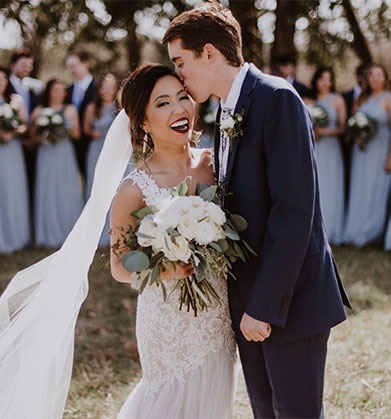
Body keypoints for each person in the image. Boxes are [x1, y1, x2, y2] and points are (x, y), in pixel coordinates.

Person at [163, 2, 351, 418]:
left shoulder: (277, 98)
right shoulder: (222, 110)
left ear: (208, 53)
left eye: (181, 62)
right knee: (266, 412)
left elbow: (294, 211)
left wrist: (264, 306)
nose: (179, 73)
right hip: (249, 299)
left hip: (289, 301)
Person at [110, 64, 236, 418]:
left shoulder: (217, 163)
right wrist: (165, 268)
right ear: (144, 122)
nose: (180, 109)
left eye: (183, 97)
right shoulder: (133, 190)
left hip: (218, 316)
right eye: (162, 103)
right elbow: (119, 267)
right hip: (168, 324)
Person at [31, 78, 84, 247]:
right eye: (56, 90)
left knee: (67, 190)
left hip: (64, 153)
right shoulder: (39, 111)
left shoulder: (71, 110)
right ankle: (47, 234)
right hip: (46, 154)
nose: (59, 93)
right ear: (49, 92)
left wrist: (63, 129)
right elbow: (33, 138)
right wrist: (47, 133)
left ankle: (69, 232)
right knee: (48, 190)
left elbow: (77, 135)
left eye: (62, 90)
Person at [342, 64, 391, 247]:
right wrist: (356, 134)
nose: (376, 78)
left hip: (381, 151)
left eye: (379, 75)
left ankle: (372, 232)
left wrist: (390, 158)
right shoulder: (361, 98)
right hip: (361, 152)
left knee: (376, 190)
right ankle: (355, 231)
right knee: (359, 188)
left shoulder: (388, 99)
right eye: (372, 75)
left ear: (385, 78)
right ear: (367, 78)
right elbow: (353, 121)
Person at [306, 67, 346, 244]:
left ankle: (331, 229)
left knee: (331, 184)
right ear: (316, 80)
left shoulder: (337, 100)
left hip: (331, 148)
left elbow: (342, 128)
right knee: (315, 184)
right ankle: (313, 229)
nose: (325, 82)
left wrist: (323, 131)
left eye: (329, 79)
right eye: (322, 78)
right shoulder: (309, 100)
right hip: (312, 147)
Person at [84, 74, 119, 247]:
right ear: (99, 90)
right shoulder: (92, 108)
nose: (107, 91)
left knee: (118, 189)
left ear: (115, 89)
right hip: (97, 151)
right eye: (104, 87)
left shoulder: (120, 107)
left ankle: (118, 231)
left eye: (110, 87)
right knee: (97, 189)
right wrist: (93, 133)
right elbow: (86, 129)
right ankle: (98, 234)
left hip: (116, 152)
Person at [0, 66, 31, 253]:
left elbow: (24, 126)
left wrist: (11, 133)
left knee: (12, 190)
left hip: (12, 150)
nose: (1, 82)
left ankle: (16, 234)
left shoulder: (16, 100)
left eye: (3, 79)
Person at [65, 51, 97, 178]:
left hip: (94, 144)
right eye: (69, 67)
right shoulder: (67, 91)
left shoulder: (99, 89)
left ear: (85, 64)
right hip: (73, 146)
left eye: (74, 65)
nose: (72, 70)